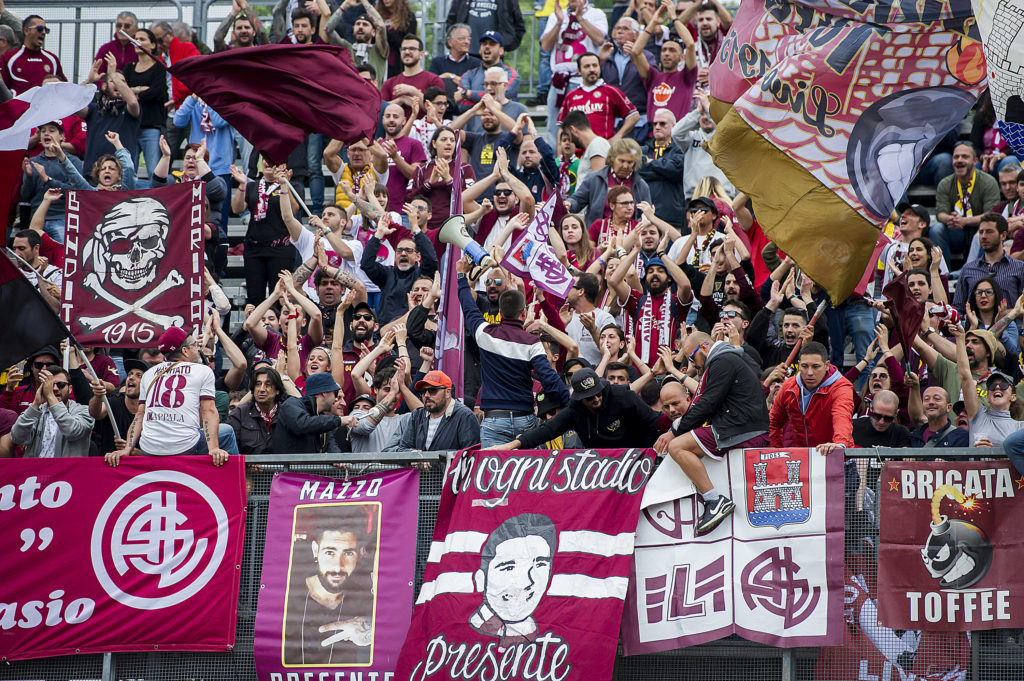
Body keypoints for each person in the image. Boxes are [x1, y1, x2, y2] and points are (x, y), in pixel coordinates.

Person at [656, 333, 770, 535]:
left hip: (742, 429)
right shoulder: (726, 359)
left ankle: (714, 500)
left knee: (677, 446)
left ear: (705, 346)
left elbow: (706, 405)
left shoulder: (722, 361)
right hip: (743, 426)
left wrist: (674, 431)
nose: (693, 365)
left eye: (692, 358)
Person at [456, 258, 568, 447]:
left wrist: (461, 276)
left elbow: (469, 308)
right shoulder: (532, 342)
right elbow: (549, 377)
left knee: (492, 467)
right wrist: (569, 402)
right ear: (523, 313)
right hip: (525, 420)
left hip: (494, 421)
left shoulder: (485, 334)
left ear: (500, 312)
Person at [105, 327, 229, 466]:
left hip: (149, 448)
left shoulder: (149, 373)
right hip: (184, 447)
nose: (197, 348)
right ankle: (228, 479)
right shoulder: (203, 371)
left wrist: (127, 449)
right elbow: (208, 411)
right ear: (185, 351)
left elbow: (140, 415)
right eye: (194, 345)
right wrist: (213, 448)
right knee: (228, 432)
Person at [284, 506, 375, 664]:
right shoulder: (288, 593)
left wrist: (372, 631)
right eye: (329, 552)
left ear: (360, 554)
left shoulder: (368, 597)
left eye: (348, 553)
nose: (338, 566)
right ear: (315, 550)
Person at [499, 367, 664, 449]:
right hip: (603, 464)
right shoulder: (574, 410)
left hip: (635, 455)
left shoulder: (622, 396)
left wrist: (647, 452)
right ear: (579, 398)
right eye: (589, 397)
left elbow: (652, 421)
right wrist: (511, 445)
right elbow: (548, 430)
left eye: (598, 393)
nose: (596, 399)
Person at [469, 513, 556, 648]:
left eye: (539, 565)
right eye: (508, 568)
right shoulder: (467, 629)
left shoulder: (532, 629)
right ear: (480, 580)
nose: (526, 582)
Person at [540, 0, 609, 144]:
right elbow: (545, 45)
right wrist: (559, 22)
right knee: (554, 126)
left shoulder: (596, 14)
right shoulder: (556, 15)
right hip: (559, 80)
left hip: (583, 80)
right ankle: (555, 157)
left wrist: (580, 18)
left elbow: (599, 39)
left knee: (582, 124)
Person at [769, 342, 854, 453]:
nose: (809, 373)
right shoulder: (788, 387)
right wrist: (777, 454)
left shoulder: (841, 387)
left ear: (827, 365)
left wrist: (839, 444)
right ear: (799, 365)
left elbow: (842, 416)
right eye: (804, 366)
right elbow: (773, 423)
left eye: (815, 366)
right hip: (802, 458)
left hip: (834, 456)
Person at [953, 324, 1024, 448]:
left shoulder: (1020, 428)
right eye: (991, 386)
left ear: (1013, 397)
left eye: (1003, 385)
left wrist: (996, 455)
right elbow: (965, 377)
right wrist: (959, 337)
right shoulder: (977, 415)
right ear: (987, 397)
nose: (997, 387)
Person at [932, 142, 1001, 261]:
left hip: (980, 230)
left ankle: (978, 269)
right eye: (956, 157)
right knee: (937, 229)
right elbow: (940, 213)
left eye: (965, 156)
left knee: (988, 230)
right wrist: (950, 219)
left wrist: (965, 221)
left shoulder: (988, 182)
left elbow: (991, 215)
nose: (959, 160)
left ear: (975, 161)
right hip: (956, 231)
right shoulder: (945, 183)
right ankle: (942, 270)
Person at [11, 365, 94, 458]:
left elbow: (72, 431)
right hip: (36, 467)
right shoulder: (37, 411)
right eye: (50, 385)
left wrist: (50, 396)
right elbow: (17, 437)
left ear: (70, 389)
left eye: (60, 385)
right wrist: (35, 404)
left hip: (65, 467)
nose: (55, 389)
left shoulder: (85, 411)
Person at [568, 137, 651, 227]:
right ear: (612, 159)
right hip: (596, 233)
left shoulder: (641, 185)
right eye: (621, 161)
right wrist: (569, 204)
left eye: (630, 162)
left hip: (630, 234)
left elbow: (646, 216)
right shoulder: (595, 179)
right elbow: (577, 200)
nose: (625, 166)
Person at [558, 52, 639, 143]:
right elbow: (562, 127)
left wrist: (618, 136)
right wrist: (559, 151)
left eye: (595, 65)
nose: (592, 69)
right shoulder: (570, 96)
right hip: (577, 151)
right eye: (587, 66)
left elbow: (634, 115)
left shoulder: (611, 91)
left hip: (602, 149)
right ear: (579, 71)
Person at [670, 87, 735, 200]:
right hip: (695, 196)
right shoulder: (691, 137)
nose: (705, 117)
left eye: (708, 113)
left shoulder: (726, 137)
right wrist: (698, 111)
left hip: (722, 195)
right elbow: (675, 133)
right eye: (702, 114)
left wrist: (709, 107)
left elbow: (727, 128)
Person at [953, 213, 1024, 314]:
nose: (983, 236)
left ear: (1003, 235)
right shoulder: (968, 269)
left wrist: (1011, 313)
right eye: (981, 232)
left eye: (989, 232)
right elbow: (958, 308)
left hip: (1010, 323)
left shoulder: (1019, 268)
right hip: (975, 323)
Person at [394, 370, 481, 450]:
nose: (426, 395)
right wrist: (415, 455)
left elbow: (470, 454)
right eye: (423, 391)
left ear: (448, 393)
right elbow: (403, 448)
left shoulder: (465, 416)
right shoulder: (417, 415)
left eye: (433, 390)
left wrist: (436, 459)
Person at [123, 28, 168, 179]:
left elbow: (157, 92)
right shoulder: (129, 68)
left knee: (153, 170)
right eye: (135, 39)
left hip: (152, 127)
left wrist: (133, 91)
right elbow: (122, 91)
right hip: (131, 127)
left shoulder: (159, 67)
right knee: (129, 171)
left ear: (153, 45)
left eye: (142, 39)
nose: (138, 42)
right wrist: (142, 89)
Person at [272, 372, 347, 454]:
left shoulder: (320, 418)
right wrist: (339, 420)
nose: (335, 399)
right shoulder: (291, 404)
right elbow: (302, 424)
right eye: (335, 394)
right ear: (324, 393)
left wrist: (340, 459)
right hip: (289, 462)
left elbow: (332, 447)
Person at [228, 365, 287, 455]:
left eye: (268, 385)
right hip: (248, 463)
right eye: (258, 384)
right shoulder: (239, 414)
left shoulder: (287, 413)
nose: (261, 389)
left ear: (277, 390)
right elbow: (230, 449)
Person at [1, 15, 63, 95]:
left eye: (46, 30)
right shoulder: (8, 58)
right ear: (26, 31)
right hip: (20, 103)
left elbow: (64, 87)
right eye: (39, 29)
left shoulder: (52, 59)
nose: (43, 32)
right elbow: (2, 90)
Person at [381, 34, 445, 110]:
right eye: (404, 49)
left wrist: (412, 91)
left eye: (412, 49)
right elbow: (380, 110)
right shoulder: (389, 83)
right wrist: (401, 100)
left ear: (421, 54)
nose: (407, 52)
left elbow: (437, 110)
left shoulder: (434, 80)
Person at [458, 31, 521, 104]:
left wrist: (468, 93)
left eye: (492, 44)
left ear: (501, 51)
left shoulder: (511, 74)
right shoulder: (468, 75)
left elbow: (503, 95)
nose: (487, 46)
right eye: (484, 44)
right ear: (480, 49)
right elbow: (462, 105)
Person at [447, 0, 525, 55]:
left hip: (493, 55)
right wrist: (456, 43)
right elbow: (451, 22)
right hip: (466, 53)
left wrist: (508, 45)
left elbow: (519, 25)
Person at [428, 23, 479, 99]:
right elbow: (431, 85)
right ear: (450, 42)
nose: (467, 42)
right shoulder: (437, 62)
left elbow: (475, 88)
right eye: (462, 38)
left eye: (469, 39)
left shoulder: (476, 63)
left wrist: (450, 76)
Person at [561, 109, 608, 185]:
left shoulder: (597, 144)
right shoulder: (592, 147)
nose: (570, 140)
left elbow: (599, 185)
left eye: (568, 135)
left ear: (573, 130)